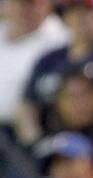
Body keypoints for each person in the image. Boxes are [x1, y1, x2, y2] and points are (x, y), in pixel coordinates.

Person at [17, 0, 93, 145]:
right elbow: (27, 104)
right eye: (74, 13)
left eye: (88, 13)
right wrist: (35, 142)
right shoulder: (50, 59)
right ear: (65, 18)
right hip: (51, 142)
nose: (80, 19)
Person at [0, 0, 68, 131]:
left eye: (33, 3)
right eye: (21, 3)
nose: (26, 10)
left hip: (19, 133)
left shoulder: (59, 41)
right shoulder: (2, 29)